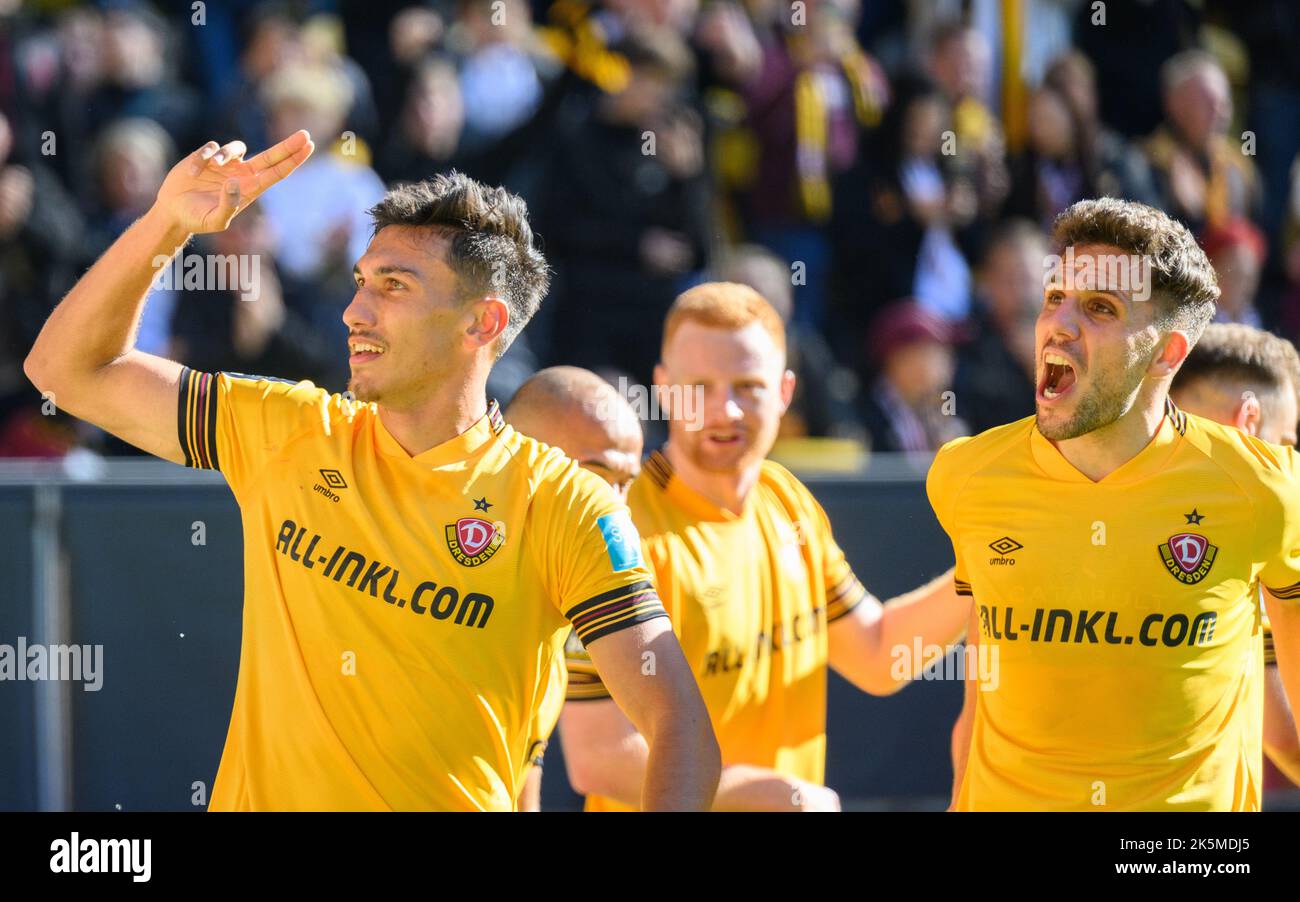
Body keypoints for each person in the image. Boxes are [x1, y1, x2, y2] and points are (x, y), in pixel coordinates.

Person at [22, 130, 720, 811]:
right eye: (361, 282)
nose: (355, 311)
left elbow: (679, 725)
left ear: (481, 323)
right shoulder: (289, 428)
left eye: (393, 285)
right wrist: (166, 225)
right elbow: (64, 372)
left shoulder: (563, 503)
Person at [934, 198, 1300, 811]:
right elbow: (981, 698)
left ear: (1168, 354)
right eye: (1055, 298)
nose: (1060, 324)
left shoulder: (1263, 489)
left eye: (1101, 307)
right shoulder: (965, 475)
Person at [558, 282, 969, 812]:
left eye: (747, 386)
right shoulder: (621, 530)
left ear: (785, 391)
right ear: (662, 388)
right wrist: (770, 795)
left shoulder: (786, 498)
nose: (723, 410)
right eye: (698, 387)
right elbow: (600, 756)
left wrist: (983, 570)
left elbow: (878, 653)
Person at [503, 366, 645, 811]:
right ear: (522, 459)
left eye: (626, 485)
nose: (615, 507)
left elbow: (520, 764)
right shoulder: (441, 569)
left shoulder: (558, 594)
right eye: (598, 478)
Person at [1170, 323, 1300, 786]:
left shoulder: (1084, 497)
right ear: (1249, 421)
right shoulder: (1256, 533)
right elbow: (1286, 738)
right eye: (1285, 444)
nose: (1289, 462)